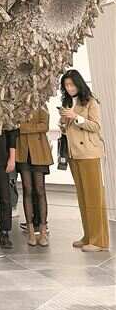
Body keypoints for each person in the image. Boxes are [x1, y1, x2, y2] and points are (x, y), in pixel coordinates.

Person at [59, 69, 109, 252]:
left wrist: (77, 118)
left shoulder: (91, 101)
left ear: (78, 84)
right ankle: (88, 235)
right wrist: (63, 124)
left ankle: (99, 241)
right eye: (66, 85)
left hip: (89, 153)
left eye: (71, 84)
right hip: (75, 154)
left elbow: (96, 126)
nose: (69, 88)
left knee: (94, 197)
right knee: (83, 197)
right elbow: (70, 129)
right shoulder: (68, 102)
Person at [16, 106, 53, 247]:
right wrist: (31, 127)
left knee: (40, 189)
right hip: (23, 151)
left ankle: (43, 231)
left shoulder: (41, 103)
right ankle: (31, 231)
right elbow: (14, 125)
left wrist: (24, 128)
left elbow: (44, 125)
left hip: (39, 151)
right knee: (27, 189)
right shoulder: (17, 103)